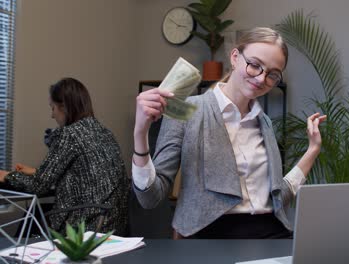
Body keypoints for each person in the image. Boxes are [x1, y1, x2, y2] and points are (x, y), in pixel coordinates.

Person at [132, 27, 326, 238]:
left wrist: (313, 150)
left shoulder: (265, 123)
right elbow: (150, 198)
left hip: (273, 234)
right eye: (254, 65)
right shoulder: (189, 112)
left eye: (272, 74)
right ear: (235, 57)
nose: (261, 79)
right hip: (211, 237)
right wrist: (140, 132)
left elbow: (277, 198)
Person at [0, 77, 129, 235]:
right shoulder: (103, 132)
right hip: (113, 225)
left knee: (33, 216)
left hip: (86, 227)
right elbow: (86, 174)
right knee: (38, 212)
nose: (52, 115)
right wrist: (36, 171)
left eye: (53, 108)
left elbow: (38, 186)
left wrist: (7, 176)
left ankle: (19, 258)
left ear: (64, 107)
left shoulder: (70, 134)